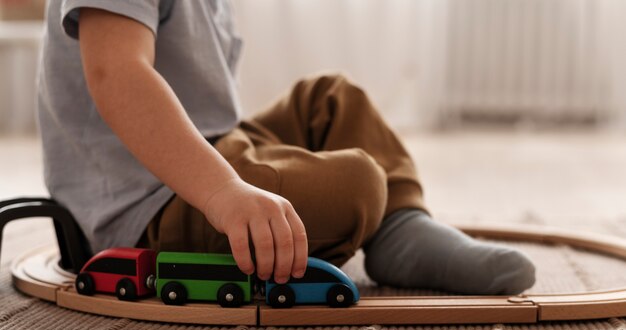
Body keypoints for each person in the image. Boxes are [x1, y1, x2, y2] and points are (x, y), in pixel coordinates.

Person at [38, 1, 535, 295]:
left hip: (212, 150)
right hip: (148, 200)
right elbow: (116, 75)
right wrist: (224, 192)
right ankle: (382, 217)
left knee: (331, 98)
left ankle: (401, 229)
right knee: (357, 183)